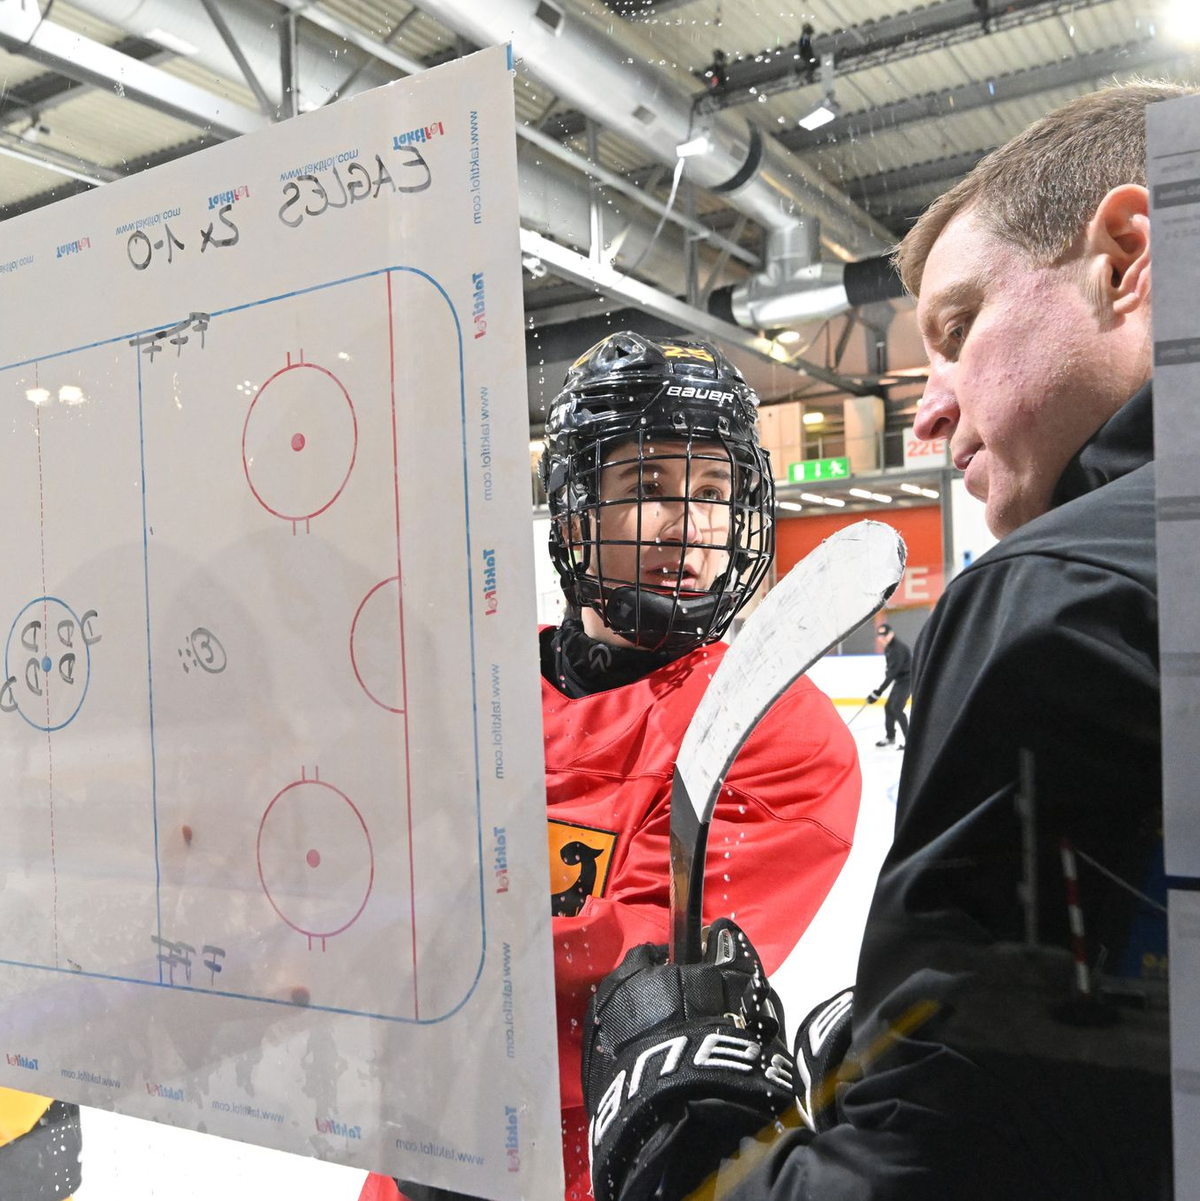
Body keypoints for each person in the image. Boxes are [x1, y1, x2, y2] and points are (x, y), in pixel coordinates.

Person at [581, 81, 1181, 1201]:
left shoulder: (1064, 596)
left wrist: (696, 1162)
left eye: (956, 331)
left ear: (1127, 256)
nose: (927, 409)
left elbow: (938, 1182)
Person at [361, 333, 861, 1201]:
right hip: (411, 1160)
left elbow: (629, 992)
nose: (692, 522)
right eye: (648, 486)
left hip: (585, 1175)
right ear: (573, 512)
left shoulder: (773, 729)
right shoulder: (464, 696)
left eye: (714, 490)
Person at [866, 623, 911, 748]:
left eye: (885, 635)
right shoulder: (889, 648)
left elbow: (892, 673)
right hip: (899, 681)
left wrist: (878, 692)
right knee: (888, 707)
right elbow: (890, 672)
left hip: (907, 681)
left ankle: (910, 741)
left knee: (896, 708)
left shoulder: (898, 649)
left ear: (891, 634)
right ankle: (890, 737)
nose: (882, 638)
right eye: (880, 636)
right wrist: (878, 692)